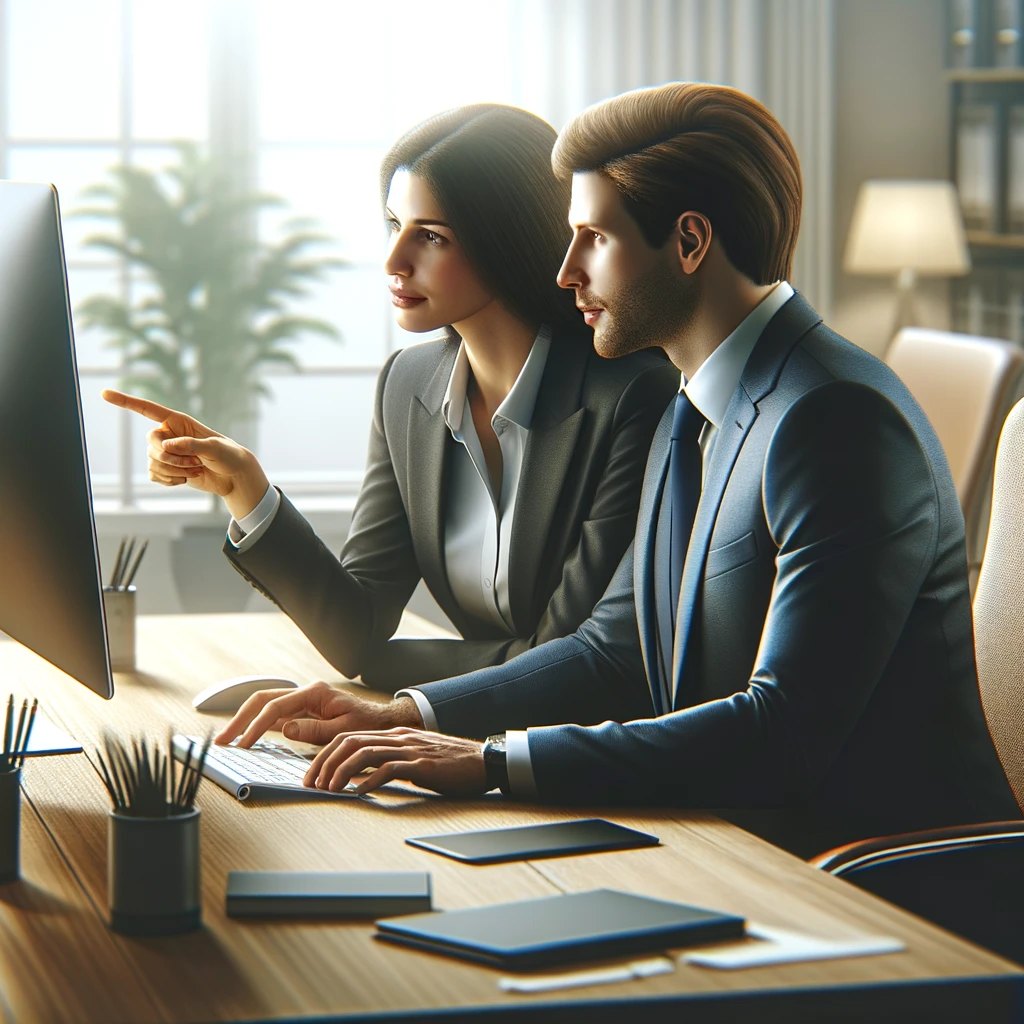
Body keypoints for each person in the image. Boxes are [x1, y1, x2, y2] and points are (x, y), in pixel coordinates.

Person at [218, 83, 1018, 857]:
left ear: (690, 242)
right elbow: (615, 648)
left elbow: (785, 733)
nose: (565, 271)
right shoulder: (688, 403)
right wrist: (411, 716)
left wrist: (494, 763)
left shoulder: (834, 418)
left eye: (593, 238)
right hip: (728, 839)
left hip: (884, 881)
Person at [104, 104, 679, 693]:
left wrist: (388, 669)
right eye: (393, 224)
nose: (393, 261)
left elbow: (564, 659)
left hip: (576, 756)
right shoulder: (407, 386)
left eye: (430, 236)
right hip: (460, 735)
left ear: (511, 239)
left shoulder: (634, 396)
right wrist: (245, 489)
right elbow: (357, 628)